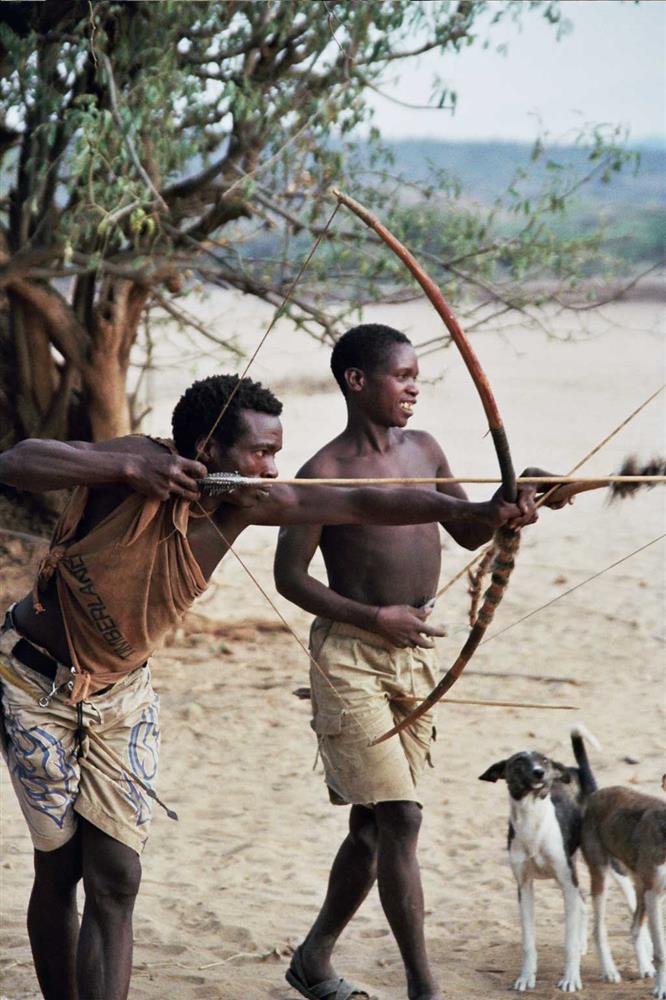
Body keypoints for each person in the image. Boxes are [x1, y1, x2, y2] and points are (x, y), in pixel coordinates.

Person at [0, 372, 537, 1000]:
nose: (272, 467)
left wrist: (472, 511)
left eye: (276, 453)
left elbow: (361, 504)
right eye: (260, 452)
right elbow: (17, 461)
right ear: (208, 448)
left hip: (121, 696)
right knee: (60, 869)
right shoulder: (137, 463)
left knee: (117, 874)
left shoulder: (248, 502)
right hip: (33, 680)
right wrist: (125, 468)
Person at [274, 325, 547, 1000]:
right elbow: (290, 576)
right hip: (351, 654)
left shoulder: (424, 448)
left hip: (416, 652)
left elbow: (466, 528)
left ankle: (313, 958)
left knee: (373, 827)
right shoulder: (323, 472)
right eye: (402, 376)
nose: (414, 388)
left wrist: (508, 508)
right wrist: (373, 617)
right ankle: (425, 987)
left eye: (417, 377)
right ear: (356, 381)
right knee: (402, 817)